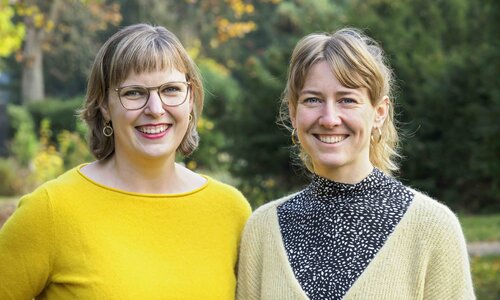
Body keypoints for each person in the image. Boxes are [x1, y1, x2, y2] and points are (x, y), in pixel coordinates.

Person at [0, 24, 251, 299]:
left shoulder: (230, 211)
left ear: (190, 98)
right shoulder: (51, 209)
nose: (155, 109)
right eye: (134, 93)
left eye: (171, 90)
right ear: (105, 106)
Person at [236, 28, 474, 299]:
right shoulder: (263, 229)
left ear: (379, 112)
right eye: (312, 99)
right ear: (293, 112)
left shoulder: (432, 227)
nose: (329, 118)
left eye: (347, 100)